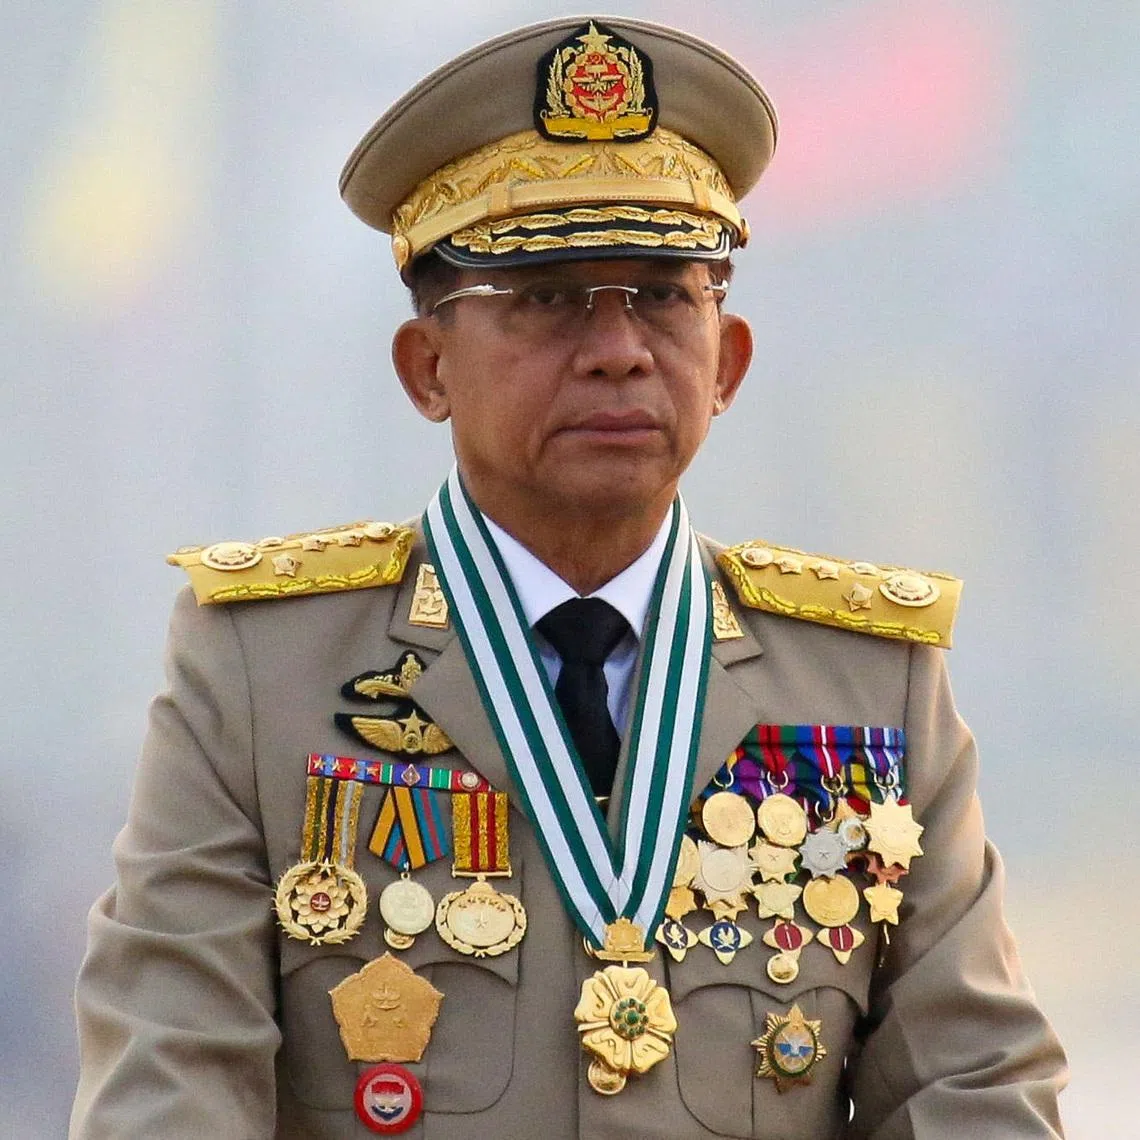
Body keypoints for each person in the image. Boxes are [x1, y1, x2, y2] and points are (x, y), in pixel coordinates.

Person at [70, 15, 1067, 1139]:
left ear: (727, 359)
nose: (617, 347)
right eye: (546, 297)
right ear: (426, 365)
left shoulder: (866, 683)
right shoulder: (262, 670)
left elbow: (975, 1090)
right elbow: (171, 1086)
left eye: (661, 292)